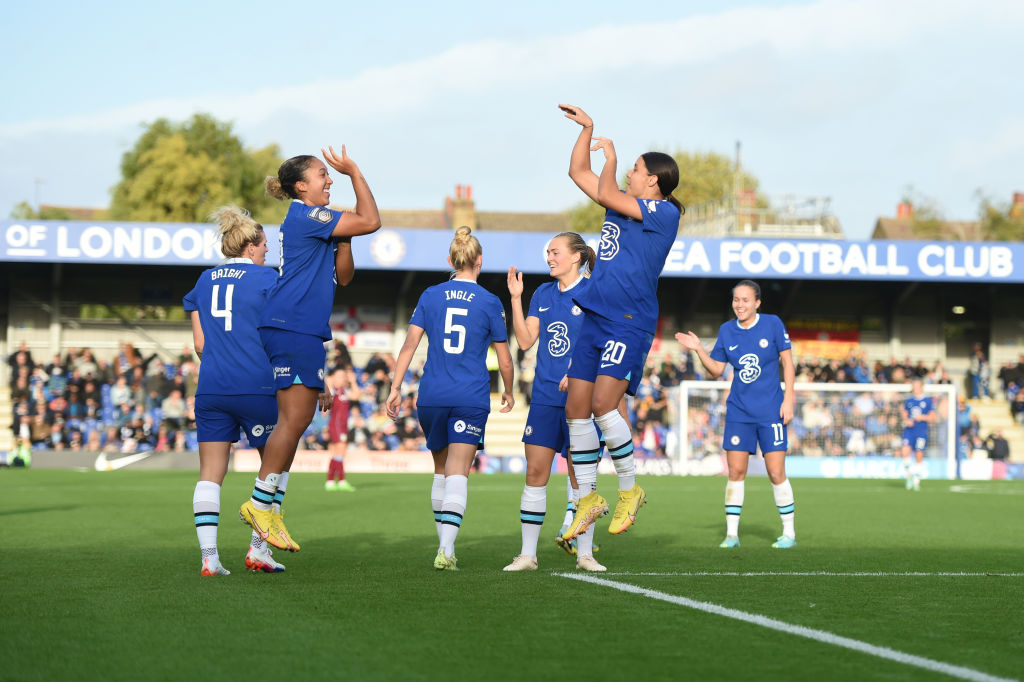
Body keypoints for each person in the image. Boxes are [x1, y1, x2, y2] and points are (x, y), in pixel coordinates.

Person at [239, 146, 381, 550]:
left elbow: (345, 276)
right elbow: (372, 220)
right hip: (293, 326)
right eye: (323, 174)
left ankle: (261, 539)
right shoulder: (305, 215)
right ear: (301, 186)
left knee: (295, 425)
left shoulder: (317, 223)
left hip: (301, 330)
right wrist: (355, 170)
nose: (329, 178)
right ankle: (260, 506)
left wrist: (346, 237)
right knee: (294, 424)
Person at [557, 104, 682, 541]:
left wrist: (608, 159)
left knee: (603, 405)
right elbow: (577, 171)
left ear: (654, 180)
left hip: (629, 321)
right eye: (627, 167)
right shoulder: (625, 204)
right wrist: (587, 130)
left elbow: (607, 191)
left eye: (634, 169)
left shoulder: (665, 213)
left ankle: (630, 488)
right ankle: (590, 498)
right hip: (596, 315)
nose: (629, 173)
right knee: (575, 409)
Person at [384, 226, 515, 571]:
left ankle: (443, 545)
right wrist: (510, 390)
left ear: (450, 260)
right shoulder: (490, 301)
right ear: (480, 261)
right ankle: (446, 550)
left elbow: (410, 345)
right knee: (459, 471)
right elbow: (504, 358)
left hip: (432, 395)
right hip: (469, 395)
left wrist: (395, 387)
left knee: (440, 470)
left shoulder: (430, 295)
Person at [183, 207, 286, 576]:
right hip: (256, 386)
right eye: (264, 246)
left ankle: (209, 559)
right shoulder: (265, 278)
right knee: (275, 468)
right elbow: (282, 332)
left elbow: (199, 344)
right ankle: (258, 550)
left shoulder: (204, 280)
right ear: (250, 246)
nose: (267, 253)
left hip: (211, 387)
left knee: (210, 473)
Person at [503, 232, 607, 572]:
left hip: (582, 400)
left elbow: (606, 343)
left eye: (555, 252)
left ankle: (586, 554)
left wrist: (579, 372)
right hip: (545, 398)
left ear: (576, 257)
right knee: (535, 472)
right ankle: (528, 555)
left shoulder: (594, 293)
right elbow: (524, 340)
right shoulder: (542, 294)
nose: (549, 257)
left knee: (583, 479)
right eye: (548, 252)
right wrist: (516, 299)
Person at [675, 280, 797, 549]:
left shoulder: (773, 324)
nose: (740, 305)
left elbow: (787, 362)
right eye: (736, 300)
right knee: (736, 472)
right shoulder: (727, 330)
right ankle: (732, 535)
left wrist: (789, 398)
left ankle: (789, 533)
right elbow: (717, 370)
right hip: (739, 411)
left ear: (757, 303)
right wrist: (699, 349)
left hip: (770, 410)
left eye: (745, 300)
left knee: (776, 472)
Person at [900, 378, 935, 491]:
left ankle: (916, 480)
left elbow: (932, 417)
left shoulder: (928, 401)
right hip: (909, 431)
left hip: (921, 431)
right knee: (904, 451)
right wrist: (907, 420)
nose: (915, 389)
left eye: (917, 386)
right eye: (913, 387)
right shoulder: (909, 401)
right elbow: (905, 414)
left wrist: (922, 417)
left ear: (921, 387)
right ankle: (909, 475)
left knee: (919, 455)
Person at [324, 368, 355, 491]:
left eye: (344, 376)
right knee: (341, 452)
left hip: (343, 425)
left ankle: (331, 481)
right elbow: (325, 411)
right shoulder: (333, 391)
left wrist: (353, 381)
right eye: (340, 376)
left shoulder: (343, 391)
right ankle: (341, 480)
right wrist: (329, 385)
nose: (343, 378)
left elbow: (357, 395)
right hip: (336, 425)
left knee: (338, 453)